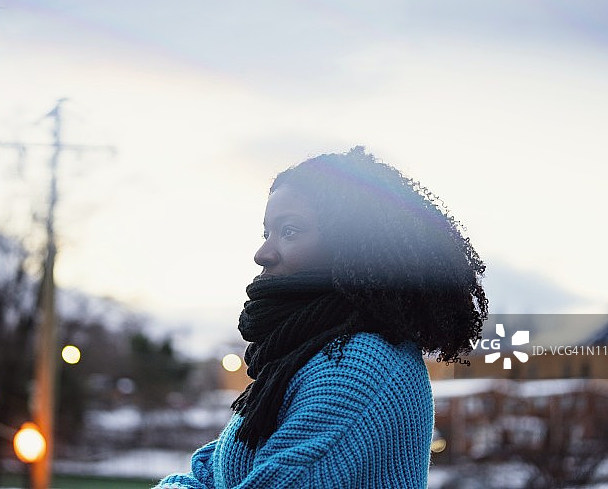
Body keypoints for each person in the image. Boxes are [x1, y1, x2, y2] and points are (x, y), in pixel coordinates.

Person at [156, 147, 488, 488]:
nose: (262, 253)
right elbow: (212, 474)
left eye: (289, 231)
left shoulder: (357, 366)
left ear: (353, 245)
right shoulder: (305, 357)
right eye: (266, 233)